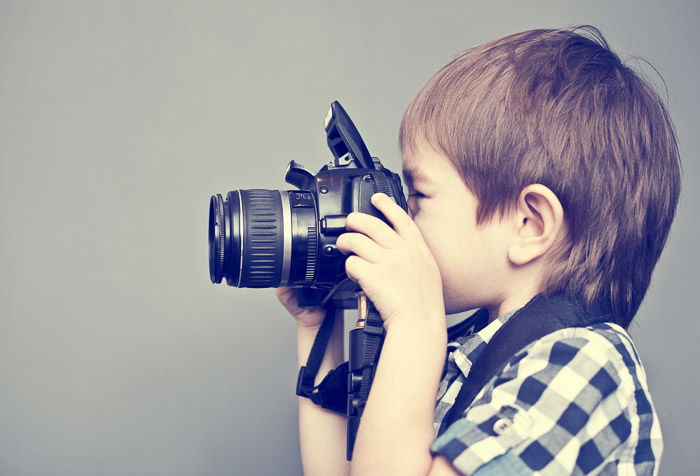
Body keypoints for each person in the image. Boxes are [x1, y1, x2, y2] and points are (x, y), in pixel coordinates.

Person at [276, 25, 680, 475]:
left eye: (419, 196)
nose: (401, 217)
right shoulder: (467, 357)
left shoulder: (581, 366)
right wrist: (317, 327)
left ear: (529, 225)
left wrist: (415, 326)